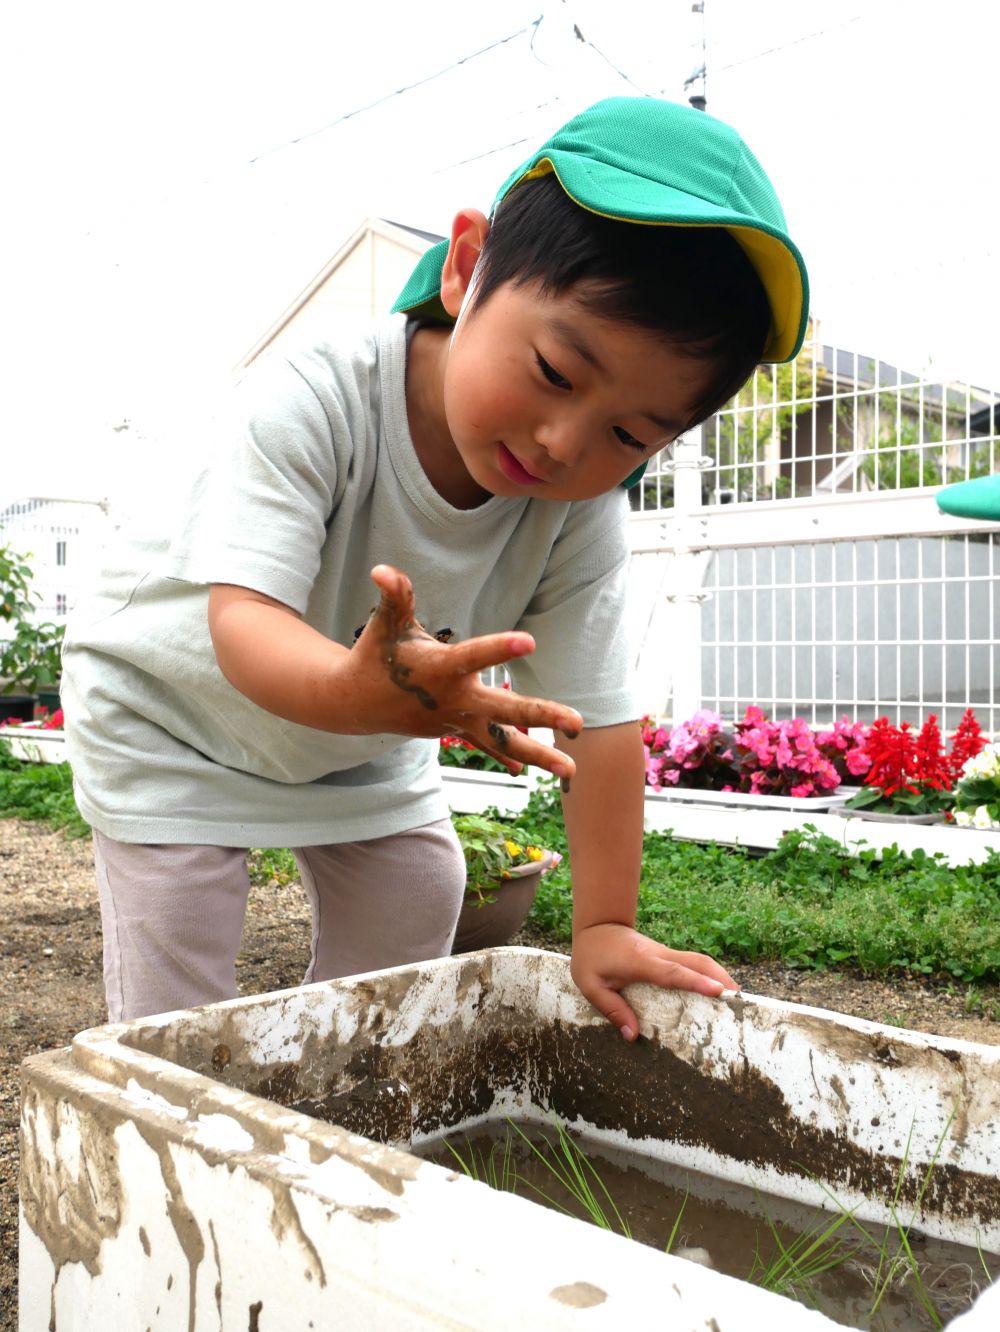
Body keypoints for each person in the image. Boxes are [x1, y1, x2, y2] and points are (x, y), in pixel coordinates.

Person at [62, 95, 809, 1031]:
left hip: (357, 740)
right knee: (182, 933)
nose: (562, 441)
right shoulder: (316, 398)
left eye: (627, 432)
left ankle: (332, 1095)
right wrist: (356, 694)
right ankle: (163, 1113)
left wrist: (605, 921)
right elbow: (243, 621)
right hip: (172, 712)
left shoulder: (577, 515)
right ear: (465, 268)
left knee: (416, 887)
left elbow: (602, 725)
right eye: (554, 372)